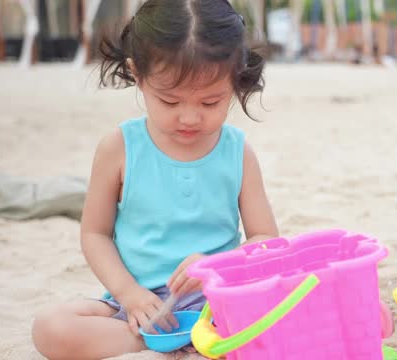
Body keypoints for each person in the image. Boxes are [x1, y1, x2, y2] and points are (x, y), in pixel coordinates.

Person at [32, 1, 278, 358]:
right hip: (140, 308)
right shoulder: (119, 148)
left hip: (218, 301)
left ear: (235, 78)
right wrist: (128, 294)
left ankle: (201, 336)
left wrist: (215, 266)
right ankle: (186, 341)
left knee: (291, 299)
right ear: (137, 74)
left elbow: (266, 239)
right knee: (52, 327)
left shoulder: (238, 152)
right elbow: (95, 233)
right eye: (169, 100)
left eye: (211, 102)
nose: (190, 117)